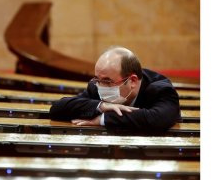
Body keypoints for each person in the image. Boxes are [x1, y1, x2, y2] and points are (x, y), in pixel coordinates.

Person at [49, 46, 181, 132]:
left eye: (107, 81)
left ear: (132, 81)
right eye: (98, 79)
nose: (101, 87)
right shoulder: (97, 86)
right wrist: (102, 106)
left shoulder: (161, 89)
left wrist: (102, 119)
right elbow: (57, 109)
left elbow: (156, 120)